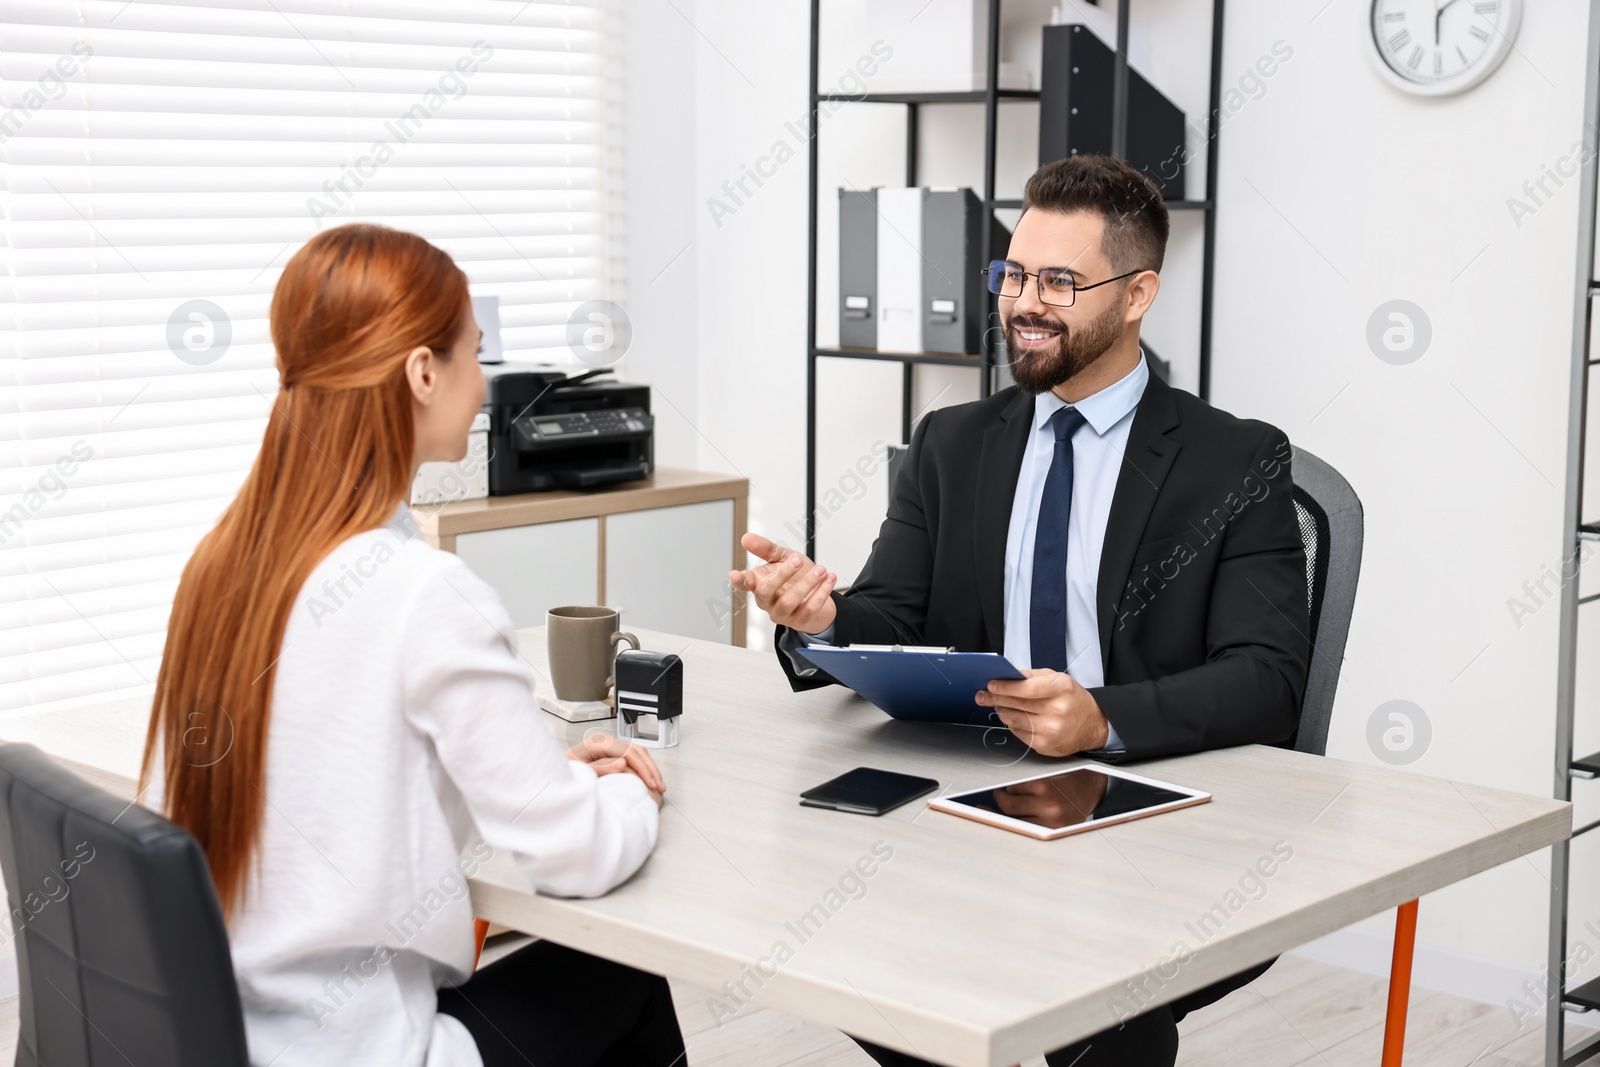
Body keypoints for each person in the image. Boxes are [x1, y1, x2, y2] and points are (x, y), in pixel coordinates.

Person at [731, 154, 1311, 1067]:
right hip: (974, 789)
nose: (1023, 303)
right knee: (837, 938)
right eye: (1013, 274)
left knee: (1113, 994)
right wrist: (824, 618)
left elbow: (1268, 678)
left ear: (1137, 294)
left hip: (1150, 813)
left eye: (1059, 281)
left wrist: (1102, 715)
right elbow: (896, 614)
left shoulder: (1235, 462)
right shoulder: (951, 443)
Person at [140, 223, 685, 1067]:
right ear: (422, 373)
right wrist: (634, 796)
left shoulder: (221, 567)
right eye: (472, 356)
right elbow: (576, 855)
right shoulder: (422, 593)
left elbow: (343, 779)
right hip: (368, 1050)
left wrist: (546, 775)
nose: (483, 385)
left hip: (233, 1040)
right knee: (630, 974)